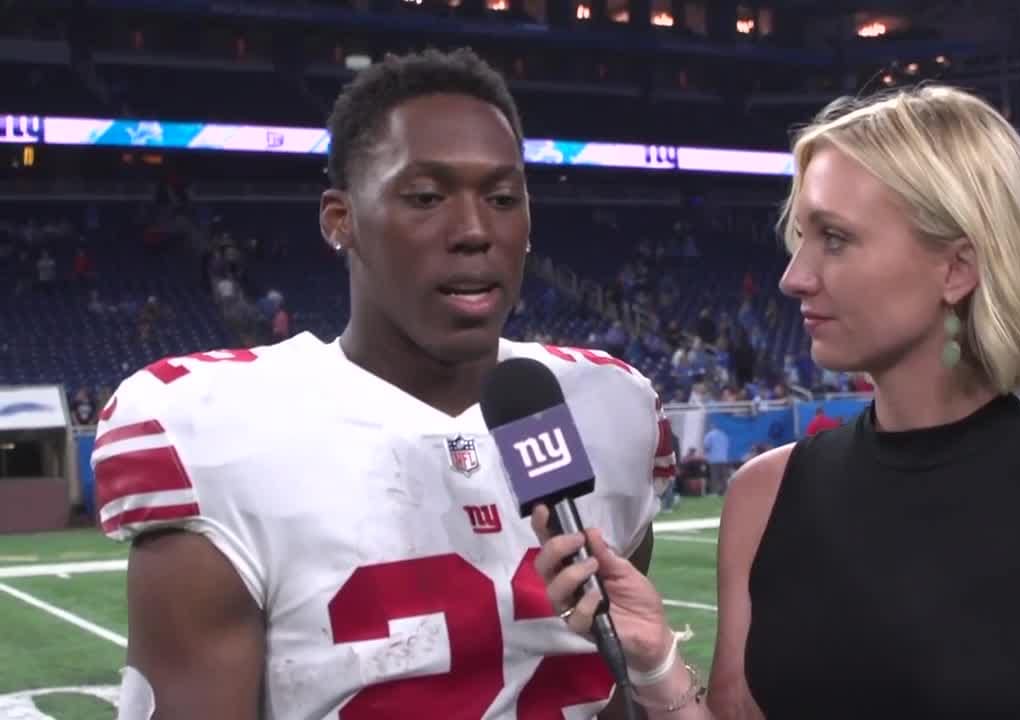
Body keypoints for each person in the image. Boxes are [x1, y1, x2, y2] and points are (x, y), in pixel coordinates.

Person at [532, 86, 1020, 718]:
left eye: (836, 239)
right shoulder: (763, 495)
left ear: (957, 268)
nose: (794, 277)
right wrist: (653, 661)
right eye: (801, 239)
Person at [90, 48, 676, 720]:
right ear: (340, 220)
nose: (475, 231)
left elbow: (614, 684)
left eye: (503, 197)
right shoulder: (221, 432)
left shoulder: (612, 411)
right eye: (426, 197)